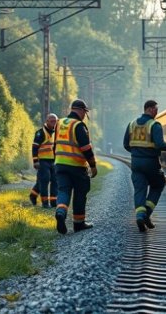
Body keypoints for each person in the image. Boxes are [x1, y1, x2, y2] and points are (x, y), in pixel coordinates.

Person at [123, 100, 166, 232]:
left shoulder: (132, 124)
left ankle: (140, 215)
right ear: (149, 109)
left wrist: (136, 152)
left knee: (139, 189)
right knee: (158, 185)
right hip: (151, 162)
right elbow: (160, 145)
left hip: (136, 162)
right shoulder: (154, 125)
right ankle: (146, 214)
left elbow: (126, 144)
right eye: (156, 109)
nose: (157, 111)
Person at [53, 99, 98, 234]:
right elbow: (85, 148)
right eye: (85, 112)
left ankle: (60, 212)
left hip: (60, 164)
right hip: (76, 166)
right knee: (80, 192)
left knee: (63, 191)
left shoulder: (59, 123)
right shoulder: (78, 125)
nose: (85, 115)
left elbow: (55, 144)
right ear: (81, 110)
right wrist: (93, 166)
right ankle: (78, 224)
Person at [29, 113, 59, 208]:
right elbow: (34, 147)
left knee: (54, 180)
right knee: (45, 179)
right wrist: (35, 161)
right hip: (42, 160)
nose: (54, 123)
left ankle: (53, 202)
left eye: (55, 121)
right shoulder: (40, 133)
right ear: (47, 121)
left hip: (53, 161)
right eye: (51, 121)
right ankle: (45, 203)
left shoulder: (56, 132)